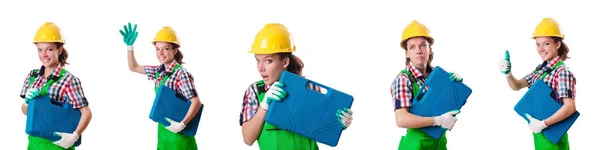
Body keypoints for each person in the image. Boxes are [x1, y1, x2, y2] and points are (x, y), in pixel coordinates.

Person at [239, 23, 354, 150]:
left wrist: (338, 123)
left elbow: (323, 131)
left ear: (285, 62)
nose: (261, 68)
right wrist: (264, 105)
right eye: (257, 60)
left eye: (268, 61)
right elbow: (248, 139)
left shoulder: (310, 90)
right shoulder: (255, 91)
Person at [121, 23, 203, 150]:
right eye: (157, 49)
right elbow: (134, 67)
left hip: (180, 140)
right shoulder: (159, 72)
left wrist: (181, 124)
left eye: (166, 48)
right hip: (164, 135)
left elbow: (196, 102)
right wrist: (129, 47)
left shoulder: (181, 74)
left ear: (174, 50)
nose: (161, 53)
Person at [499, 18, 576, 150]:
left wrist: (543, 124)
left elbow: (570, 107)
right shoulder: (540, 70)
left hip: (553, 137)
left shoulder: (562, 72)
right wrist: (508, 73)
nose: (541, 49)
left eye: (546, 43)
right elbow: (517, 85)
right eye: (538, 44)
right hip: (540, 134)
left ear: (557, 44)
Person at [391, 20, 464, 150]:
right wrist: (437, 121)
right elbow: (401, 119)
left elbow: (449, 108)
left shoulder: (438, 77)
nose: (418, 51)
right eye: (412, 47)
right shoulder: (403, 79)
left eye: (423, 45)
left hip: (439, 144)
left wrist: (456, 88)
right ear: (407, 53)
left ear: (430, 50)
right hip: (415, 146)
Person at [20, 22, 93, 150]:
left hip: (58, 146)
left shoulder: (69, 80)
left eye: (49, 49)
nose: (44, 55)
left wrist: (74, 136)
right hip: (34, 145)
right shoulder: (33, 76)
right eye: (40, 49)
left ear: (59, 50)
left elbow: (86, 113)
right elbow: (27, 113)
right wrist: (27, 103)